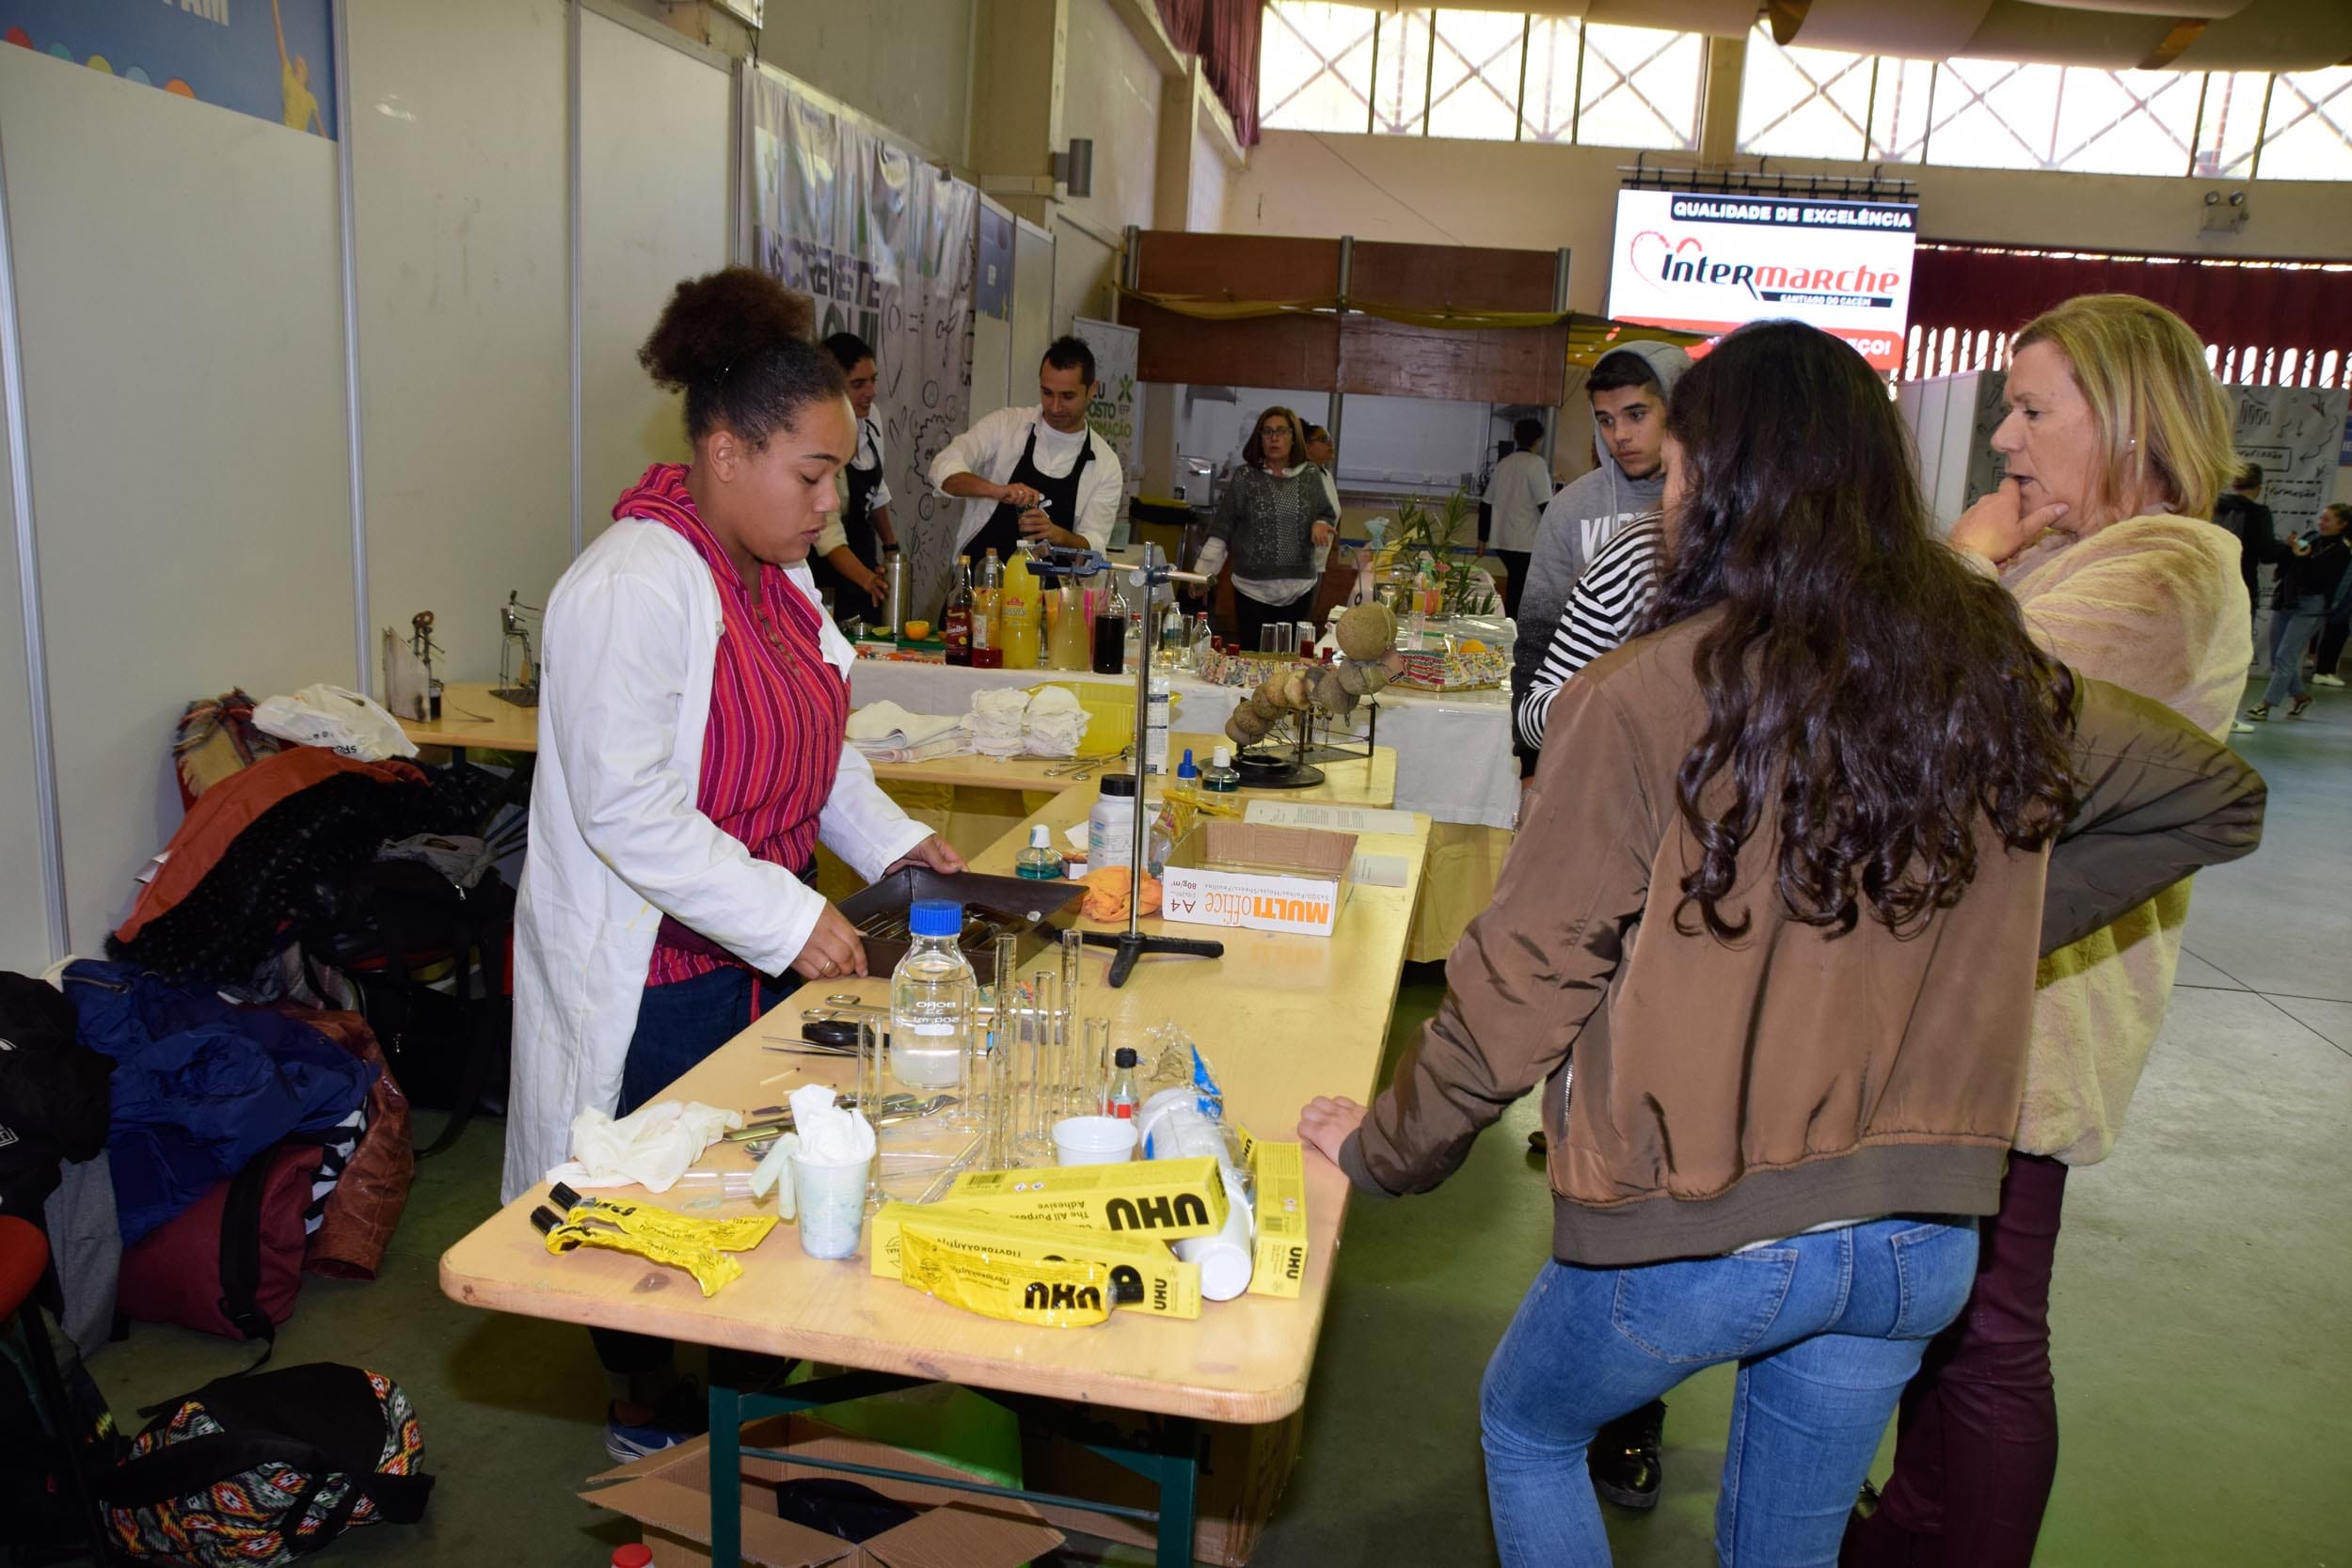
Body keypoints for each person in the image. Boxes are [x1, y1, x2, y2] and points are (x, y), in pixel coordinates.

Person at [1295, 321, 2265, 1568]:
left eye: (1675, 468)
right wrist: (1979, 915)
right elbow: (2211, 798)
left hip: (1697, 1220)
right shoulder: (1988, 676)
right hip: (1916, 1237)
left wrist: (1383, 1149)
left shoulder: (1645, 693)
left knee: (1529, 1427)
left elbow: (1522, 982)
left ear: (1716, 482)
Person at [501, 268, 966, 1463]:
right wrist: (790, 912)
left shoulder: (779, 574)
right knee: (646, 1208)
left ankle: (749, 1418)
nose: (830, 504)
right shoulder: (631, 584)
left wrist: (896, 841)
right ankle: (644, 1412)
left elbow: (813, 748)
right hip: (656, 978)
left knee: (754, 1199)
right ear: (723, 452)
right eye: (811, 475)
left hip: (752, 958)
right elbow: (627, 808)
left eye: (837, 477)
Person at [1848, 292, 2249, 1568]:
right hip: (1986, 1001)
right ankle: (1915, 1523)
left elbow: (1960, 723)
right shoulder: (2083, 550)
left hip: (2029, 1019)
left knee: (1992, 1328)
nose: (2004, 439)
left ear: (2127, 417)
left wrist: (1963, 562)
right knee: (1950, 1314)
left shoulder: (2164, 571)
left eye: (2032, 410)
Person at [1511, 343, 1690, 771]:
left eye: (1636, 415)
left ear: (1678, 411)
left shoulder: (1713, 509)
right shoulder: (1570, 508)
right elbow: (1536, 636)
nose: (1620, 435)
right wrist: (1532, 763)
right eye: (1605, 420)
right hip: (1580, 745)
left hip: (1682, 751)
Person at [930, 337, 1120, 572]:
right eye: (1047, 393)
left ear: (1092, 390)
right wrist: (997, 491)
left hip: (1051, 591)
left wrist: (1059, 536)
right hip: (980, 581)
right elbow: (943, 467)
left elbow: (1095, 546)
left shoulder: (1106, 464)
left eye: (1067, 396)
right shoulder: (1005, 425)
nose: (1055, 407)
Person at [1191, 405, 1340, 652]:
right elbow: (1222, 529)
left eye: (1281, 431)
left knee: (1290, 662)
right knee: (1252, 657)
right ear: (1259, 438)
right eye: (1267, 431)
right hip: (1251, 590)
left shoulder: (1310, 475)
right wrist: (1202, 574)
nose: (1274, 438)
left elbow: (1327, 512)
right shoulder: (1245, 477)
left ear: (1294, 438)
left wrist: (1321, 524)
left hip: (1299, 589)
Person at [804, 332, 898, 622]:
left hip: (863, 559)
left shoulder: (870, 418)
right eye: (859, 384)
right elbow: (827, 533)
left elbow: (876, 491)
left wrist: (891, 548)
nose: (871, 392)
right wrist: (868, 579)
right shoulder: (816, 434)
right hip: (825, 572)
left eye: (873, 380)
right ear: (831, 386)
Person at [2246, 502, 2351, 721]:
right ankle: (2300, 696)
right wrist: (2290, 548)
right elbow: (2286, 560)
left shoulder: (2341, 552)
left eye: (2327, 520)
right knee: (2276, 655)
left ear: (2342, 524)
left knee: (2286, 655)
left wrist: (2301, 557)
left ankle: (2266, 704)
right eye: (2321, 518)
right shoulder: (2312, 537)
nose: (2322, 523)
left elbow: (2316, 579)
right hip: (2287, 598)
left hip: (2311, 606)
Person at [2210, 463, 2283, 661]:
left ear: (2234, 484)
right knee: (2235, 646)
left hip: (2210, 582)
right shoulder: (2258, 513)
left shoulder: (2212, 506)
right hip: (2242, 584)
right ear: (2259, 488)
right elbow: (2268, 553)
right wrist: (2288, 550)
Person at [1484, 419, 1555, 622]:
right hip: (1526, 541)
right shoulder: (1537, 464)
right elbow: (1545, 504)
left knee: (1516, 584)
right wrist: (1554, 536)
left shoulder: (1503, 464)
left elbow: (1486, 503)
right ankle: (1514, 626)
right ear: (1538, 440)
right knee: (1520, 589)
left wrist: (1481, 538)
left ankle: (1510, 622)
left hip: (1503, 540)